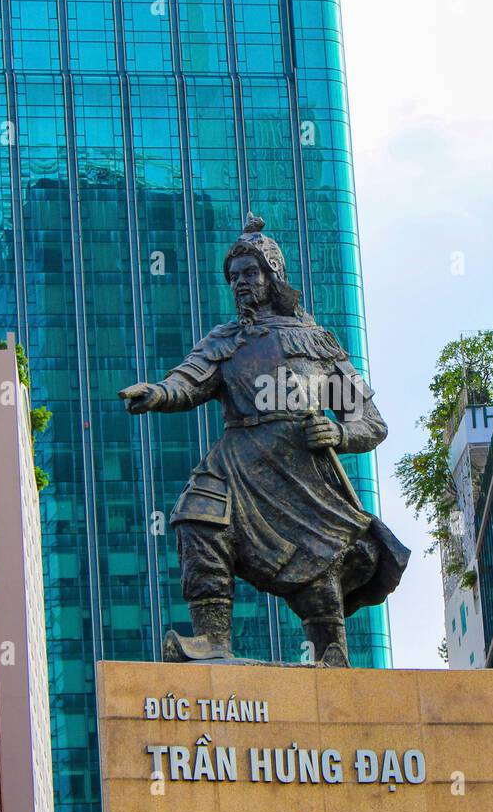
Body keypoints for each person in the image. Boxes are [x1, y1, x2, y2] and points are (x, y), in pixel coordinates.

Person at [120, 215, 409, 666]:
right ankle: (212, 638)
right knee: (197, 517)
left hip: (302, 469)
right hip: (236, 461)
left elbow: (370, 421)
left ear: (273, 276)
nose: (240, 284)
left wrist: (339, 431)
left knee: (318, 562)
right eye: (233, 277)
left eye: (250, 273)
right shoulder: (225, 341)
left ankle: (330, 649)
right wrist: (156, 393)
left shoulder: (318, 341)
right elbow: (187, 383)